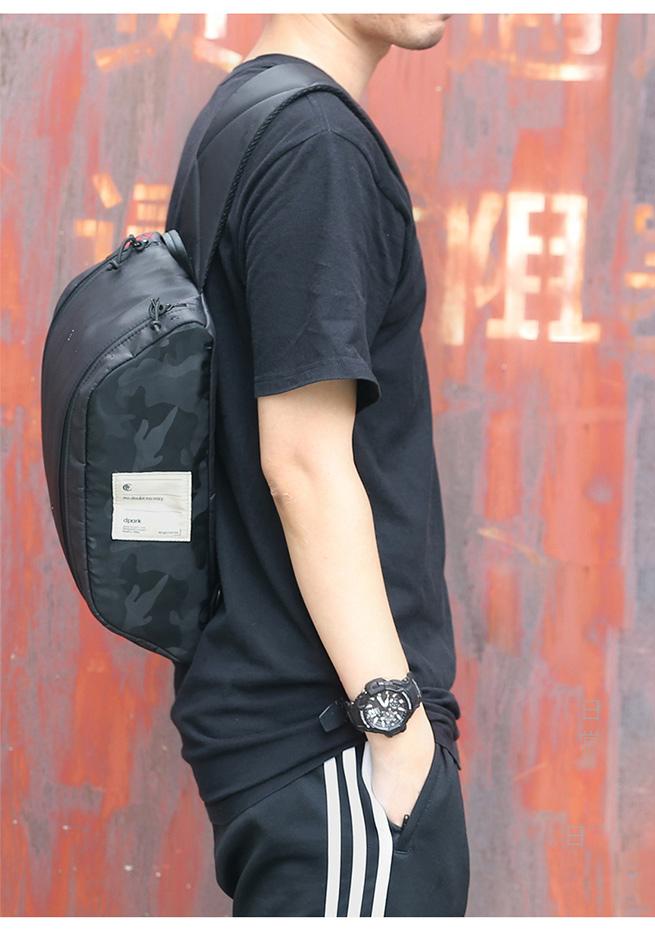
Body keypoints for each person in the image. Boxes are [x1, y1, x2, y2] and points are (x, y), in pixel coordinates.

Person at [165, 13, 469, 916]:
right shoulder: (315, 143)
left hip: (298, 741)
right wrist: (395, 729)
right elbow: (301, 461)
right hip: (335, 740)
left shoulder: (243, 117)